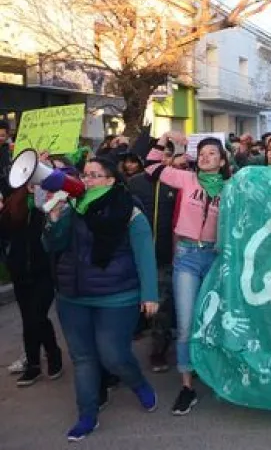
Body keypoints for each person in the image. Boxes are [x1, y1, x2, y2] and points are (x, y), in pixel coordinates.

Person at [44, 156, 159, 442]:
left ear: (110, 180)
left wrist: (150, 295)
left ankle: (138, 383)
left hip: (117, 296)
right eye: (85, 174)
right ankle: (87, 416)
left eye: (95, 175)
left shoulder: (129, 210)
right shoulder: (71, 206)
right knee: (83, 358)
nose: (88, 180)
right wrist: (54, 219)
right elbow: (52, 245)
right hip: (73, 296)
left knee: (113, 355)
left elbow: (145, 253)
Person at [146, 133, 230, 416]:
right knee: (185, 323)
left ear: (222, 160)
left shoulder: (230, 189)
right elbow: (151, 167)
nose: (206, 157)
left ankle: (216, 376)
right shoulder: (186, 179)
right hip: (187, 259)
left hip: (216, 258)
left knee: (214, 322)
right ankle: (186, 386)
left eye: (212, 153)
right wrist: (163, 140)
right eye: (202, 153)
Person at [0, 185, 63, 388]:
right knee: (29, 318)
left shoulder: (50, 199)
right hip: (20, 271)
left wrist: (42, 197)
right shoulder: (14, 202)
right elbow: (5, 232)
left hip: (43, 270)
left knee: (36, 315)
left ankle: (52, 354)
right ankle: (34, 364)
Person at [127, 155, 179, 374]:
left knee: (161, 308)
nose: (162, 160)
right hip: (133, 255)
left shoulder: (176, 182)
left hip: (164, 257)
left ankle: (158, 351)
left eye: (168, 155)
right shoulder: (135, 183)